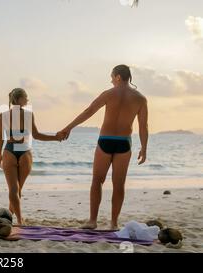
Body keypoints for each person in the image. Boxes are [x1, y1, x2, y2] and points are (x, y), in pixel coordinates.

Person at [59, 64, 149, 230]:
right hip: (124, 142)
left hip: (105, 140)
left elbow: (89, 111)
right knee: (119, 184)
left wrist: (68, 127)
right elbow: (143, 126)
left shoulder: (108, 93)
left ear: (118, 77)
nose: (110, 80)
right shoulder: (140, 98)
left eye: (111, 76)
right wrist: (144, 148)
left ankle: (93, 221)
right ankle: (114, 223)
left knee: (97, 180)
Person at [0, 88, 65, 225]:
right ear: (19, 99)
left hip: (9, 151)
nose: (28, 100)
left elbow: (0, 138)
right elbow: (37, 135)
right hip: (24, 151)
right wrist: (55, 138)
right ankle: (19, 220)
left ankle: (13, 217)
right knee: (17, 189)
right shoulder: (28, 114)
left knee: (14, 190)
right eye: (26, 97)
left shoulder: (2, 115)